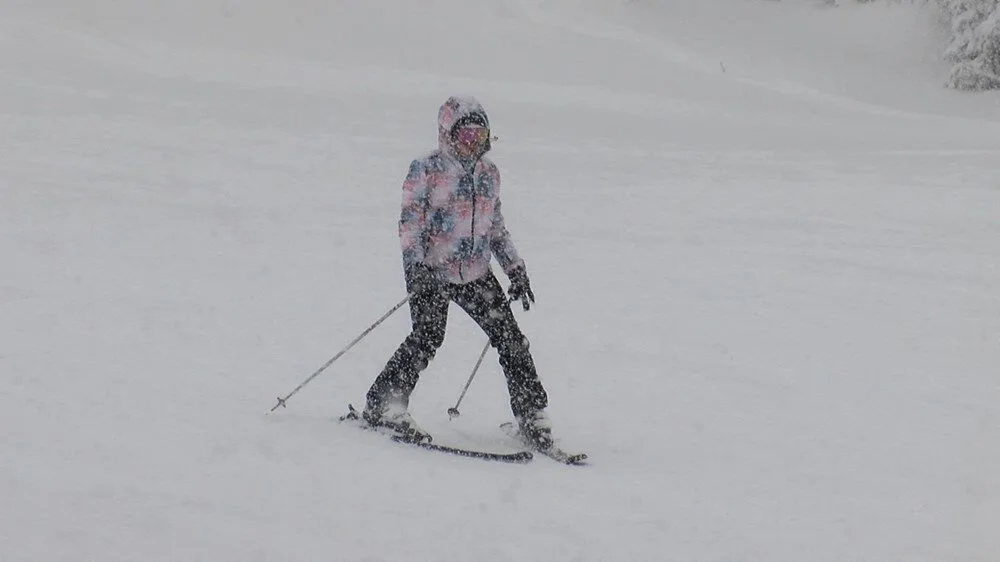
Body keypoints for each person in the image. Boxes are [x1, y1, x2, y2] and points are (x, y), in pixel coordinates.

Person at [363, 95, 554, 450]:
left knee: (511, 340)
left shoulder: (489, 175)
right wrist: (416, 267)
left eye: (480, 136)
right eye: (466, 135)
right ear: (448, 134)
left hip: (476, 273)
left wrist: (515, 269)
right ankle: (384, 403)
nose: (473, 143)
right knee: (427, 336)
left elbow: (496, 229)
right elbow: (409, 224)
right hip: (432, 271)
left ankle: (533, 415)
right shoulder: (427, 169)